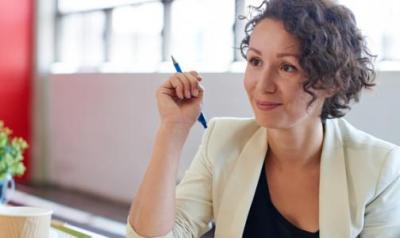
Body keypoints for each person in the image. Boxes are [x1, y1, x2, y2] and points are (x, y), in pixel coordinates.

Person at [127, 0, 400, 237]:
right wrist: (172, 129)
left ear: (331, 81)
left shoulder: (379, 168)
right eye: (255, 61)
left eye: (286, 67)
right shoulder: (223, 141)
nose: (263, 85)